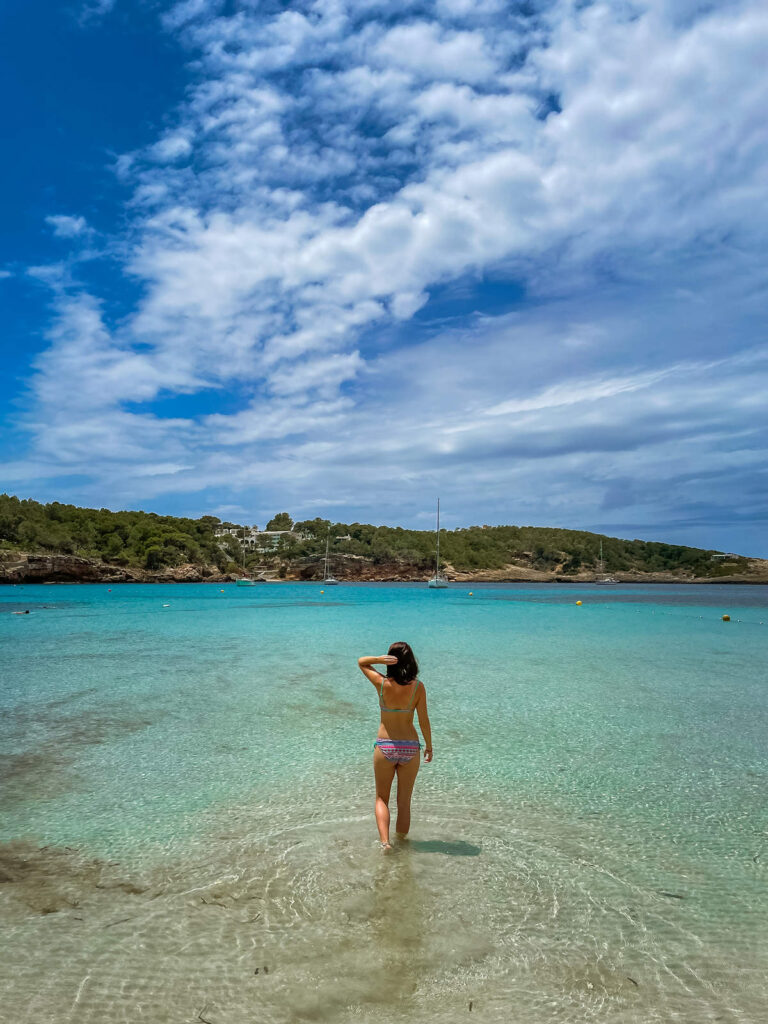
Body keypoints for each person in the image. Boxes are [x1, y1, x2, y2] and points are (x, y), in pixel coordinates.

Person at [357, 641, 432, 851]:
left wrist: (378, 660)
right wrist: (429, 746)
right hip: (410, 747)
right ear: (411, 661)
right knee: (404, 802)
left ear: (391, 660)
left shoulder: (382, 684)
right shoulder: (418, 687)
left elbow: (361, 663)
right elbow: (424, 720)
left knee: (381, 798)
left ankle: (385, 843)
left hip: (385, 746)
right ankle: (403, 844)